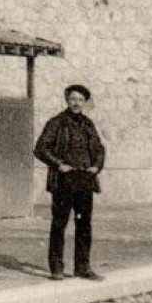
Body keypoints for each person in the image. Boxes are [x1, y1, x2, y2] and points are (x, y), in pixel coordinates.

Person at [34, 84, 108, 280]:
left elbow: (99, 149)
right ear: (67, 100)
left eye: (81, 100)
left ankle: (82, 267)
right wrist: (59, 164)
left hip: (84, 180)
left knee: (84, 224)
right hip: (64, 180)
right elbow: (40, 148)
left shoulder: (88, 125)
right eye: (73, 99)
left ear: (85, 103)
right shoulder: (56, 123)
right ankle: (56, 268)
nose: (76, 103)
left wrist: (96, 166)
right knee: (59, 223)